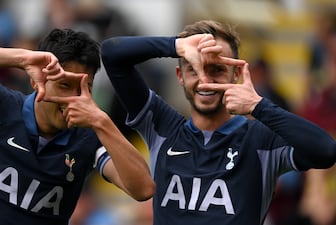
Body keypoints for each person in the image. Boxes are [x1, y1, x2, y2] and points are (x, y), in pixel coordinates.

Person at [101, 20, 336, 225]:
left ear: (236, 75)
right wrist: (176, 46)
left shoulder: (261, 139)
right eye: (194, 69)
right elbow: (112, 54)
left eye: (217, 69)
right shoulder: (163, 125)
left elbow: (325, 151)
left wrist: (258, 105)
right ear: (180, 76)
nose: (205, 80)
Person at [0, 28, 155, 225]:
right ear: (37, 79)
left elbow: (143, 188)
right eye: (64, 85)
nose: (73, 99)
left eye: (83, 88)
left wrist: (102, 121)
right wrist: (19, 57)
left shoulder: (89, 137)